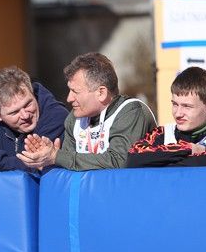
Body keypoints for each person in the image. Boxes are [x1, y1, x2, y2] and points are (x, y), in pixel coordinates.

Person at [17, 52, 156, 171]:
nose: (69, 98)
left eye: (75, 91)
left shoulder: (131, 112)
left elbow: (118, 162)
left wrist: (56, 156)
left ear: (101, 93)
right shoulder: (74, 119)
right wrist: (49, 160)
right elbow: (69, 165)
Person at [0, 66, 67, 171]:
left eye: (28, 104)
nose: (25, 116)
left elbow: (36, 165)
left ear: (33, 93)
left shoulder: (56, 117)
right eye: (14, 112)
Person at [128, 66, 206, 167]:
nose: (178, 113)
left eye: (187, 106)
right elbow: (133, 157)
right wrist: (188, 148)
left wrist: (159, 160)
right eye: (175, 104)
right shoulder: (162, 133)